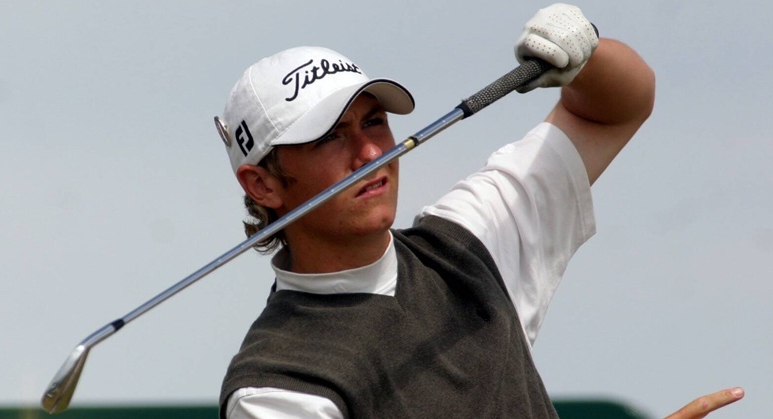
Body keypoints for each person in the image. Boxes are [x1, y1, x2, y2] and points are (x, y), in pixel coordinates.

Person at [213, 3, 742, 418]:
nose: (371, 154)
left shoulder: (469, 240)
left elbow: (617, 108)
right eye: (330, 138)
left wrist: (587, 56)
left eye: (374, 122)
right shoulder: (276, 391)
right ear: (262, 185)